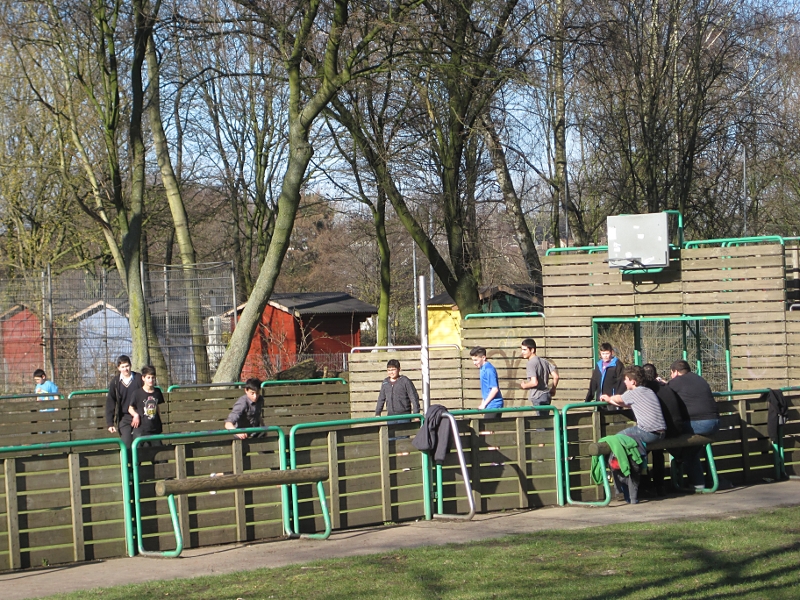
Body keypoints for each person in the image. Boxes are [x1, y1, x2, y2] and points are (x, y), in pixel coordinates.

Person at [667, 359, 720, 491]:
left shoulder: (675, 382)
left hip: (698, 424)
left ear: (675, 372)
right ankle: (697, 484)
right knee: (691, 451)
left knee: (667, 432)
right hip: (715, 422)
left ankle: (678, 457)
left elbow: (665, 393)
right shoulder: (700, 379)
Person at [601, 365, 667, 456]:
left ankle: (618, 466)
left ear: (633, 382)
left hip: (648, 433)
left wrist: (608, 398)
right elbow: (626, 404)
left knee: (618, 438)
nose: (624, 382)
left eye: (626, 379)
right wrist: (611, 401)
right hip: (661, 433)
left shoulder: (633, 393)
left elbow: (619, 398)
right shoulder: (648, 391)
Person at [642, 363, 687, 494]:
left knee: (642, 447)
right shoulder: (665, 387)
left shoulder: (646, 390)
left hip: (664, 430)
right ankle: (659, 485)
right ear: (656, 375)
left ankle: (645, 485)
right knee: (656, 450)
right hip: (676, 427)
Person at [105, 355, 143, 449]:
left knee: (139, 441)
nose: (125, 369)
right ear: (118, 368)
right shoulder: (115, 382)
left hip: (139, 416)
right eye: (122, 367)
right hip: (124, 418)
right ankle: (128, 463)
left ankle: (137, 463)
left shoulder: (139, 378)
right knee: (126, 443)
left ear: (130, 365)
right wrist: (110, 423)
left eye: (127, 366)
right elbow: (111, 402)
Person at [519, 338, 558, 416]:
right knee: (545, 422)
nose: (522, 352)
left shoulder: (531, 363)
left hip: (538, 397)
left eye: (524, 350)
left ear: (532, 350)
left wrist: (525, 385)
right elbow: (556, 376)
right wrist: (553, 389)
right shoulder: (544, 361)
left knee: (541, 424)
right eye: (522, 350)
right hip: (546, 395)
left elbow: (534, 382)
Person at [128, 365, 164, 447]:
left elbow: (157, 407)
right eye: (148, 377)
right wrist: (135, 415)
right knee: (138, 454)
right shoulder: (137, 393)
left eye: (153, 377)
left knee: (161, 457)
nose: (151, 380)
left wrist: (159, 421)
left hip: (154, 429)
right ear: (143, 378)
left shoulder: (157, 392)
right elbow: (130, 408)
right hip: (141, 429)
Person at [470, 346, 503, 418]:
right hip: (489, 405)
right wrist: (483, 404)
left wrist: (484, 404)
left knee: (486, 429)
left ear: (483, 358)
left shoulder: (489, 369)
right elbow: (486, 390)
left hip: (494, 405)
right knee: (487, 428)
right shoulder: (482, 368)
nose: (474, 363)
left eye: (476, 360)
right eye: (473, 360)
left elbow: (494, 389)